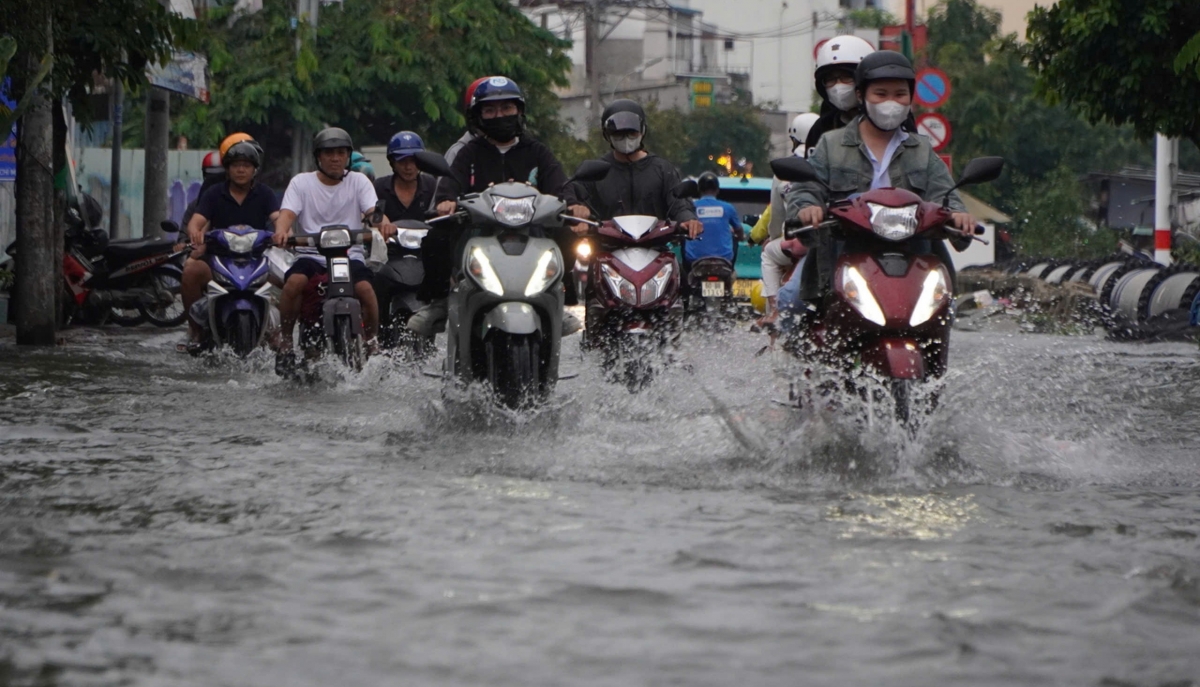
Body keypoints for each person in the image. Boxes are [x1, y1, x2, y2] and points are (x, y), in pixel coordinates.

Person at [785, 50, 976, 305]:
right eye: (881, 94)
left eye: (899, 94)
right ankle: (787, 345)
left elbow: (944, 193)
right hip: (843, 256)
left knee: (943, 308)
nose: (891, 103)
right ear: (861, 96)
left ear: (910, 98)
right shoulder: (830, 145)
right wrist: (807, 208)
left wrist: (958, 214)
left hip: (912, 260)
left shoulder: (922, 150)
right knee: (791, 301)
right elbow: (807, 187)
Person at [409, 76, 588, 336]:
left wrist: (574, 207)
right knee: (436, 239)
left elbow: (561, 186)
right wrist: (445, 201)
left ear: (519, 111)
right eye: (490, 110)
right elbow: (450, 183)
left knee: (567, 236)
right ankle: (438, 304)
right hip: (478, 234)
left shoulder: (537, 152)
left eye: (506, 108)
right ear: (477, 116)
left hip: (532, 235)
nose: (499, 115)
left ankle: (556, 301)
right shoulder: (469, 153)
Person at [272, 127, 396, 373]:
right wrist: (282, 230)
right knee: (294, 283)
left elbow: (372, 211)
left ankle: (372, 343)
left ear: (348, 156)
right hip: (311, 255)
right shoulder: (301, 182)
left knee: (366, 290)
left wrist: (383, 223)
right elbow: (287, 214)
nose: (336, 158)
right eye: (329, 153)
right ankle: (286, 339)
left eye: (341, 153)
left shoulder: (359, 181)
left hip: (350, 255)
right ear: (318, 157)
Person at [180, 140, 280, 348]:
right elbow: (195, 222)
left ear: (254, 169)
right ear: (228, 169)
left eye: (246, 165)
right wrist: (195, 234)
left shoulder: (265, 194)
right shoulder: (214, 193)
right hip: (218, 261)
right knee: (190, 270)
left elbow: (279, 219)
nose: (241, 170)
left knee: (293, 280)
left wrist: (283, 233)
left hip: (257, 261)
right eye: (235, 165)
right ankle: (195, 329)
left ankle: (280, 334)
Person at [569, 99, 701, 234]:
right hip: (606, 249)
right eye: (618, 134)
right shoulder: (594, 173)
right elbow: (576, 201)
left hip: (655, 247)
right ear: (606, 135)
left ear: (642, 131)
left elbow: (679, 205)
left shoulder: (663, 170)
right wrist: (578, 216)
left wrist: (688, 219)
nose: (626, 138)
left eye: (632, 133)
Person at [751, 112, 820, 329]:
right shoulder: (830, 160)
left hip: (801, 243)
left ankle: (775, 310)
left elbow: (776, 215)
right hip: (831, 239)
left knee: (768, 254)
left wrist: (772, 239)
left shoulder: (785, 169)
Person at [375, 131, 437, 223]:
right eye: (402, 161)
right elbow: (375, 221)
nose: (408, 167)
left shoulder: (431, 185)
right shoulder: (379, 188)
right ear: (393, 163)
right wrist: (384, 226)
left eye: (413, 161)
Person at [686, 171, 739, 267]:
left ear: (699, 190)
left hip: (694, 259)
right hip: (725, 259)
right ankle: (731, 270)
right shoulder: (728, 207)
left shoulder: (689, 207)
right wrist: (741, 237)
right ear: (717, 190)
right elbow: (739, 230)